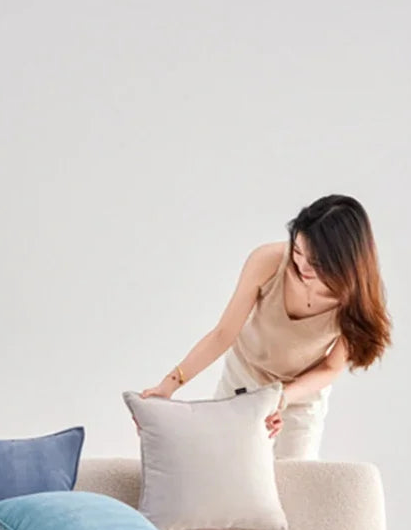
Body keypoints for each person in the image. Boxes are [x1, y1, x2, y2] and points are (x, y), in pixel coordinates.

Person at [136, 194, 392, 460]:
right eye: (297, 250)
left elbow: (330, 368)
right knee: (219, 464)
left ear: (345, 262)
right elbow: (223, 334)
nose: (302, 266)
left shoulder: (357, 299)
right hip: (244, 377)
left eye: (316, 262)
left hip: (299, 395)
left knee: (294, 476)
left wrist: (282, 398)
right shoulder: (268, 261)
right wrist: (170, 384)